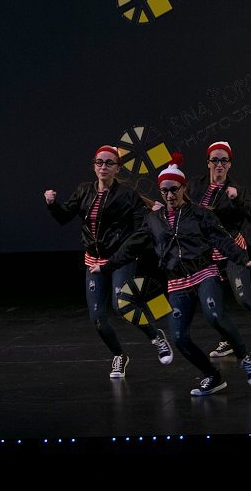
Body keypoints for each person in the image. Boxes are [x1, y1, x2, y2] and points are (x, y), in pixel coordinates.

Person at [92, 153, 251, 396]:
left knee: (214, 316)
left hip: (204, 273)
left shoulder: (199, 214)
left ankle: (245, 356)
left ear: (183, 188)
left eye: (174, 189)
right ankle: (213, 376)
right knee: (178, 338)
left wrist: (244, 260)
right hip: (177, 282)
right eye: (164, 190)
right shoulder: (154, 220)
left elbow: (222, 240)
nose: (169, 195)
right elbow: (131, 247)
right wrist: (106, 266)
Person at [44, 145, 173, 379]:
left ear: (117, 168)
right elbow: (64, 216)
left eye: (109, 163)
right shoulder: (84, 190)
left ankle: (156, 336)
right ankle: (119, 355)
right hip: (94, 261)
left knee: (122, 305)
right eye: (99, 162)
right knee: (97, 318)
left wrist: (152, 215)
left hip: (120, 258)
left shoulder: (127, 194)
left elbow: (140, 226)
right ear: (94, 166)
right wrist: (52, 204)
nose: (103, 166)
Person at [188, 141, 251, 358]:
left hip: (233, 250)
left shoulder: (237, 189)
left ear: (229, 164)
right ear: (208, 163)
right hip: (207, 255)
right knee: (213, 306)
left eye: (224, 161)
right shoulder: (195, 186)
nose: (219, 164)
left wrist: (238, 201)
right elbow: (183, 206)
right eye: (215, 160)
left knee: (244, 297)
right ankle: (227, 339)